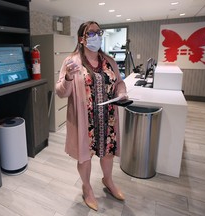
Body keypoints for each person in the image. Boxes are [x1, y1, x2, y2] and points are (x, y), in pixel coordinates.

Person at [55, 21, 127, 211]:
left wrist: (122, 93)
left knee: (108, 153)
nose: (96, 35)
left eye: (98, 32)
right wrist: (69, 77)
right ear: (82, 39)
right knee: (84, 157)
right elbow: (61, 92)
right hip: (84, 121)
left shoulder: (109, 61)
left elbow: (119, 82)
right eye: (91, 33)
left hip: (108, 118)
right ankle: (87, 188)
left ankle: (108, 181)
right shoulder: (71, 62)